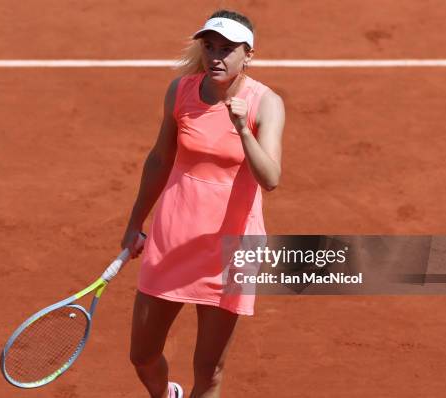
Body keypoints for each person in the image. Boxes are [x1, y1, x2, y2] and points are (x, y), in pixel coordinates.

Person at [121, 9, 285, 398]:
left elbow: (271, 178)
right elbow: (160, 159)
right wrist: (134, 222)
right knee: (142, 355)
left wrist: (243, 128)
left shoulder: (267, 103)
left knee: (209, 371)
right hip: (173, 239)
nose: (215, 56)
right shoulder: (180, 92)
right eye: (209, 46)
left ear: (249, 55)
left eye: (227, 49)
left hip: (232, 249)